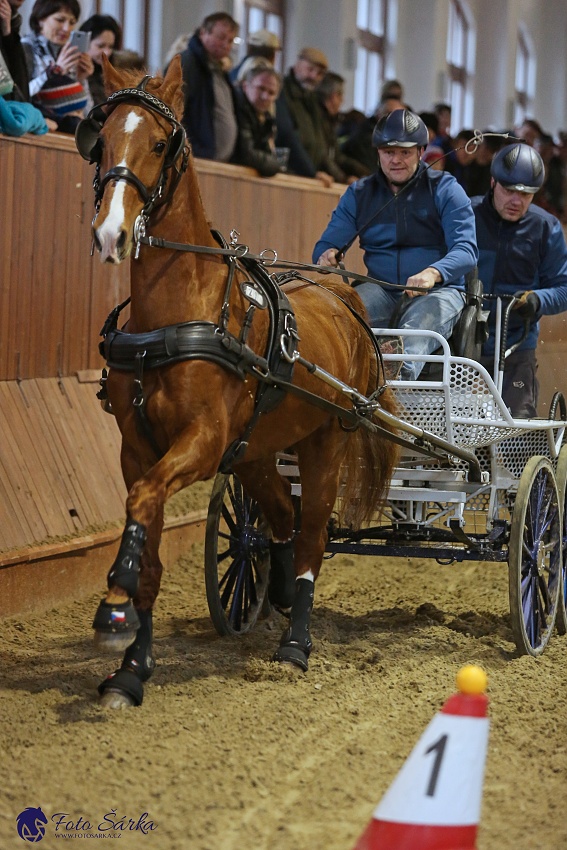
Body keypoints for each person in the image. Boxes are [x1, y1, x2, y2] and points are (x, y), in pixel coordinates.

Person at [313, 108, 478, 381]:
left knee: (413, 334)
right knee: (336, 317)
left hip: (439, 291)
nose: (396, 160)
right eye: (389, 152)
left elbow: (466, 251)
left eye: (405, 152)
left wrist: (433, 273)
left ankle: (394, 393)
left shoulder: (446, 188)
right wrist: (326, 254)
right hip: (382, 288)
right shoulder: (359, 193)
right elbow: (327, 243)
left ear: (421, 151)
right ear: (378, 153)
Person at [472, 142, 567, 417]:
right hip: (464, 341)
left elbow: (563, 288)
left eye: (526, 194)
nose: (517, 201)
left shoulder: (545, 227)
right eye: (509, 191)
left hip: (515, 343)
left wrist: (538, 300)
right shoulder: (468, 214)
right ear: (493, 182)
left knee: (517, 424)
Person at [21, 0, 93, 134]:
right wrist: (54, 72)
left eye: (72, 22)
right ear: (40, 19)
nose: (67, 28)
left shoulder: (68, 53)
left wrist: (82, 79)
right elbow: (20, 94)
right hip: (34, 127)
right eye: (60, 20)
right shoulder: (25, 49)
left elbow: (86, 112)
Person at [179, 12, 239, 162]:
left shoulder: (220, 69)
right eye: (220, 37)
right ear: (203, 33)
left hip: (218, 161)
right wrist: (191, 148)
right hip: (195, 158)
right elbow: (175, 108)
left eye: (230, 40)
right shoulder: (188, 63)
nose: (226, 45)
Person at [275, 46, 334, 186]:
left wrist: (341, 177)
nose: (313, 77)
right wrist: (311, 172)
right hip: (291, 174)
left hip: (310, 175)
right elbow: (288, 136)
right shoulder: (281, 92)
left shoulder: (313, 100)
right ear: (297, 65)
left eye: (319, 73)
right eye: (310, 69)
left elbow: (320, 146)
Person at [316, 71, 370, 183]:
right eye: (340, 95)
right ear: (332, 96)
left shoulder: (330, 121)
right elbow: (323, 156)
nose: (342, 100)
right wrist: (343, 179)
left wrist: (364, 172)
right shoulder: (318, 120)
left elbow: (337, 157)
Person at [232, 63, 283, 177]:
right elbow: (247, 154)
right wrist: (276, 166)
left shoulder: (266, 118)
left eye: (271, 93)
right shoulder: (237, 107)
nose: (265, 96)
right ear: (245, 86)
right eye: (261, 88)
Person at [79, 13, 122, 104]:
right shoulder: (76, 71)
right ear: (85, 43)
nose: (107, 52)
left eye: (110, 47)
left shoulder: (111, 69)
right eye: (100, 46)